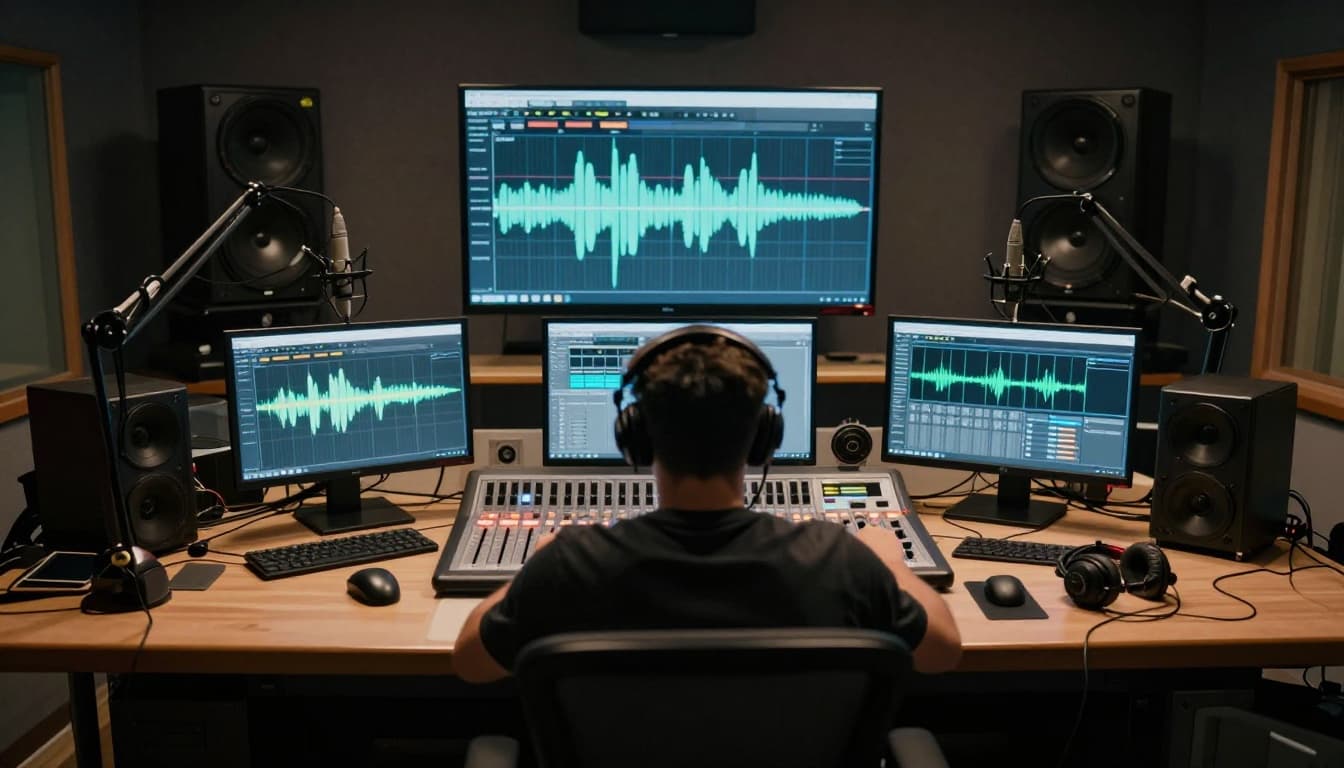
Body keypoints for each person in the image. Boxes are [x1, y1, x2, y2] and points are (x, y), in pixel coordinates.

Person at [454, 326, 962, 682]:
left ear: (638, 438)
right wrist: (892, 564)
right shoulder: (839, 560)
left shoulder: (571, 563)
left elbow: (471, 662)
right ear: (762, 439)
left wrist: (532, 566)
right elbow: (943, 651)